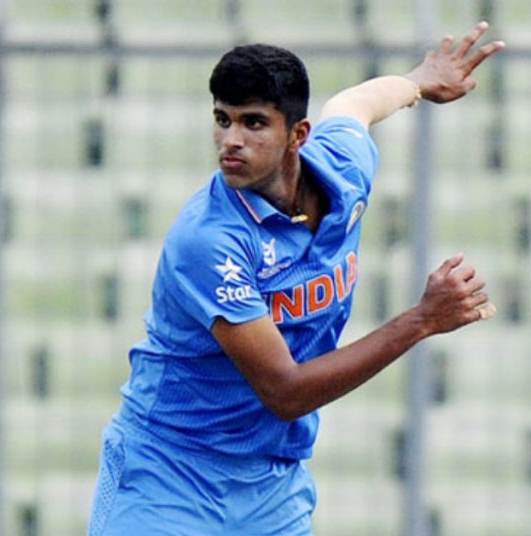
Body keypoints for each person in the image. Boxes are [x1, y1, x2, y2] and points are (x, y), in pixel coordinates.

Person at [87, 21, 505, 536]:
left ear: (298, 135)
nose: (231, 141)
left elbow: (354, 105)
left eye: (254, 123)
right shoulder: (209, 240)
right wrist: (420, 320)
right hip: (171, 475)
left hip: (271, 483)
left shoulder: (342, 169)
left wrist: (419, 80)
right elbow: (285, 391)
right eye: (223, 119)